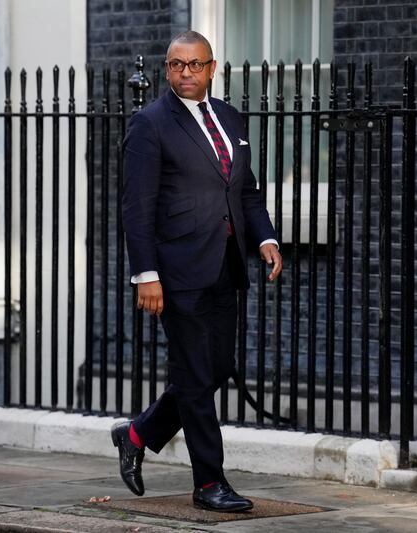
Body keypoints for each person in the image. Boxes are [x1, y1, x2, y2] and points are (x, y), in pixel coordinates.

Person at [111, 30, 282, 513]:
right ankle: (209, 483)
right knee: (193, 375)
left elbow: (244, 191)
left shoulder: (229, 117)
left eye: (195, 64)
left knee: (217, 368)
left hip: (225, 265)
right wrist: (146, 273)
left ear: (212, 68)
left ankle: (138, 433)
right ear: (167, 70)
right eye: (176, 65)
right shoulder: (150, 123)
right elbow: (136, 208)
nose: (185, 73)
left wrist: (266, 237)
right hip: (176, 270)